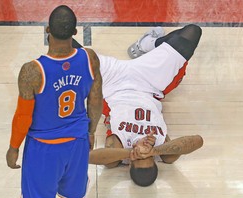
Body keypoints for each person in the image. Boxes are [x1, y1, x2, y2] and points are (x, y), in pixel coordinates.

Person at [73, 24, 203, 187]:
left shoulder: (116, 155)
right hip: (150, 84)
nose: (143, 152)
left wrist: (131, 152)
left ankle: (149, 46)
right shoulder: (165, 152)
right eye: (147, 158)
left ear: (130, 163)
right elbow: (198, 141)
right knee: (192, 32)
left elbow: (89, 157)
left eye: (138, 158)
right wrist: (156, 151)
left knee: (61, 43)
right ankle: (147, 44)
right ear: (154, 161)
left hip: (111, 85)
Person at [6, 5, 102, 198]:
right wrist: (91, 132)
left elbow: (23, 116)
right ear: (75, 32)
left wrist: (14, 147)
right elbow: (96, 102)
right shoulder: (89, 58)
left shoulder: (32, 71)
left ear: (47, 30)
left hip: (44, 149)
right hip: (77, 143)